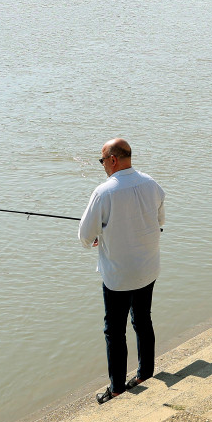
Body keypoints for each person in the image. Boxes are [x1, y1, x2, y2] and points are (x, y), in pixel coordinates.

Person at [79, 138, 165, 404]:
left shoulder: (104, 192)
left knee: (114, 331)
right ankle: (145, 373)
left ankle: (116, 387)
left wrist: (96, 238)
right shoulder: (152, 184)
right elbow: (159, 222)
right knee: (142, 320)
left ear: (113, 160)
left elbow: (84, 235)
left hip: (118, 276)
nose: (103, 166)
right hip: (148, 269)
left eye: (102, 160)